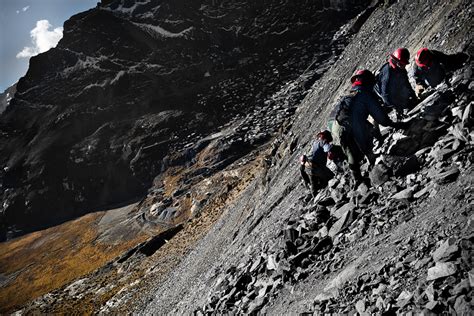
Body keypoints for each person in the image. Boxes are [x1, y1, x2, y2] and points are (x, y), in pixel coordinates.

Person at [329, 69, 406, 186]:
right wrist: (395, 124)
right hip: (349, 124)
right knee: (362, 144)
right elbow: (381, 119)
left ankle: (357, 179)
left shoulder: (349, 95)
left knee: (350, 151)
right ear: (368, 82)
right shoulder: (364, 95)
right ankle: (370, 171)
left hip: (334, 126)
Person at [374, 48, 418, 113]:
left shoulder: (401, 70)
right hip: (379, 95)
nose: (405, 66)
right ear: (398, 62)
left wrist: (413, 95)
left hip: (392, 89)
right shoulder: (387, 73)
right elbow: (385, 95)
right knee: (382, 110)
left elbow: (406, 83)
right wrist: (397, 107)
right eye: (403, 64)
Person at [300, 130, 335, 197]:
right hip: (316, 166)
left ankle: (315, 198)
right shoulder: (323, 141)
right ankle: (331, 194)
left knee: (314, 183)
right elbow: (327, 149)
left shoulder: (315, 142)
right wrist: (332, 150)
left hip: (308, 166)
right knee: (331, 177)